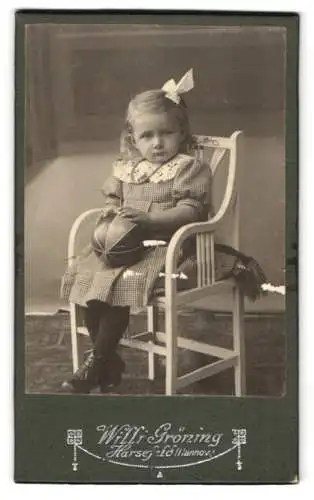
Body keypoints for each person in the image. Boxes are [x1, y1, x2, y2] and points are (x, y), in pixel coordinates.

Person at [60, 69, 265, 394]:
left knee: (120, 284)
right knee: (89, 278)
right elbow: (114, 197)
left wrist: (152, 221)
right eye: (147, 136)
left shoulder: (189, 168)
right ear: (133, 138)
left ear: (182, 132)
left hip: (168, 247)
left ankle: (98, 362)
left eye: (166, 133)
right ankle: (107, 360)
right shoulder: (128, 168)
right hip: (126, 247)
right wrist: (113, 212)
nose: (157, 144)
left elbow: (192, 210)